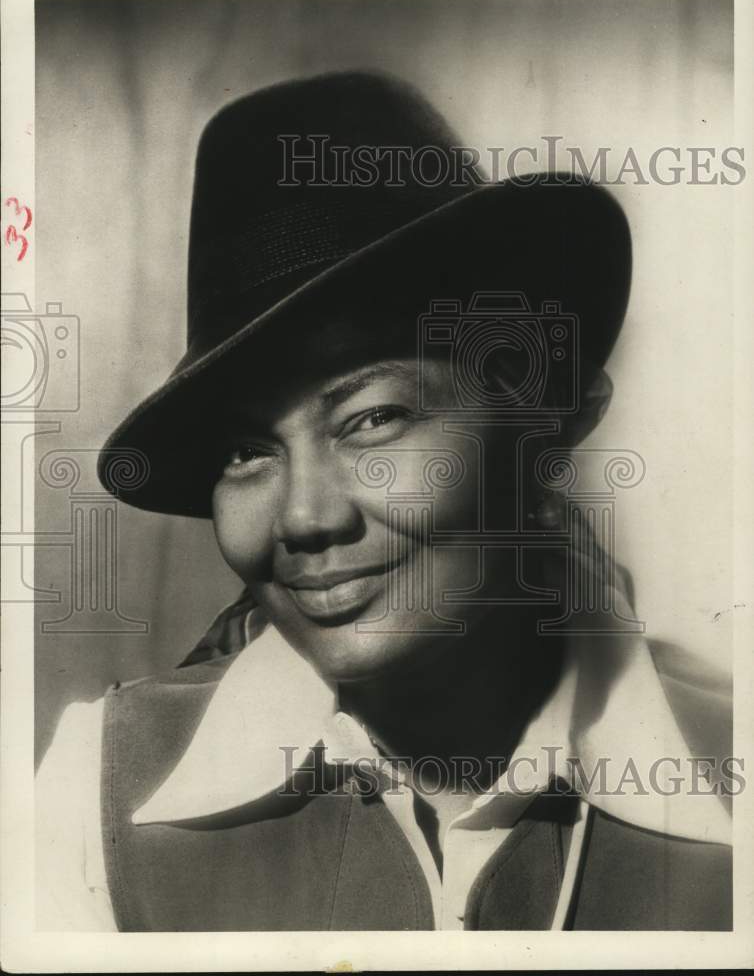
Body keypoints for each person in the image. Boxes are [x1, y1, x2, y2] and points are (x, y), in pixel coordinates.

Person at [36, 70, 732, 932]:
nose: (304, 517)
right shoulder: (100, 791)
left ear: (542, 425)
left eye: (372, 419)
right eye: (247, 451)